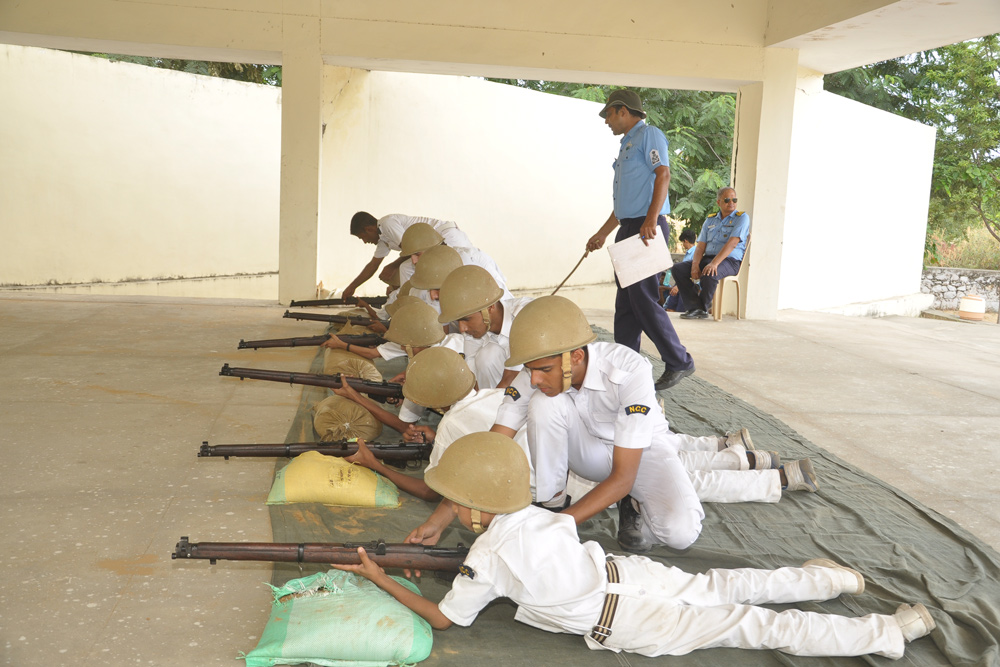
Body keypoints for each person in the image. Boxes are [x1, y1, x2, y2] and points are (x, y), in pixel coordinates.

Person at [336, 432, 937, 659]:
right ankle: (832, 581)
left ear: (473, 507)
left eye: (455, 501)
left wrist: (379, 577)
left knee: (751, 624)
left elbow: (445, 619)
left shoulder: (487, 557)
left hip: (624, 614)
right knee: (727, 590)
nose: (453, 509)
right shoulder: (538, 513)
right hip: (631, 579)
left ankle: (881, 635)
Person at [585, 89, 695, 390]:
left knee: (644, 300)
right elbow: (624, 201)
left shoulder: (650, 135)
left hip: (647, 228)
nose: (606, 121)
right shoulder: (625, 146)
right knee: (626, 303)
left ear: (622, 111)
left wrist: (651, 220)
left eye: (608, 114)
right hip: (630, 226)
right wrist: (603, 232)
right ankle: (626, 365)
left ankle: (679, 361)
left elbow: (663, 175)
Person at [437, 265, 532, 390]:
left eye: (466, 319)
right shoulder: (473, 330)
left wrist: (486, 404)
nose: (462, 329)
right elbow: (472, 377)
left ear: (490, 308)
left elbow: (511, 377)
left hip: (544, 394)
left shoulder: (524, 315)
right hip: (509, 394)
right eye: (458, 321)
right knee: (486, 357)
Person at [341, 212, 474, 299]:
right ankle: (409, 304)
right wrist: (352, 287)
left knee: (462, 273)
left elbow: (411, 248)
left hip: (446, 236)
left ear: (368, 229)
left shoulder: (387, 223)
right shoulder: (383, 239)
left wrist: (392, 266)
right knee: (406, 268)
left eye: (362, 237)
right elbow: (372, 265)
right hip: (435, 245)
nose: (365, 242)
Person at [671, 187, 750, 319]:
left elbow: (732, 243)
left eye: (734, 199)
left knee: (710, 273)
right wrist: (695, 264)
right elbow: (700, 246)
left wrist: (714, 263)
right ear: (718, 202)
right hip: (708, 259)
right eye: (727, 200)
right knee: (678, 269)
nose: (731, 202)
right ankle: (695, 307)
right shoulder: (710, 220)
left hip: (730, 261)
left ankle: (701, 308)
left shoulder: (741, 218)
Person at [662, 228, 697, 312]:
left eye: (682, 243)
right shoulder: (688, 254)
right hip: (680, 283)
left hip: (687, 286)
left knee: (679, 310)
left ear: (686, 241)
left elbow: (693, 274)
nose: (682, 245)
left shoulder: (696, 253)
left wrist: (678, 286)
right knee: (670, 307)